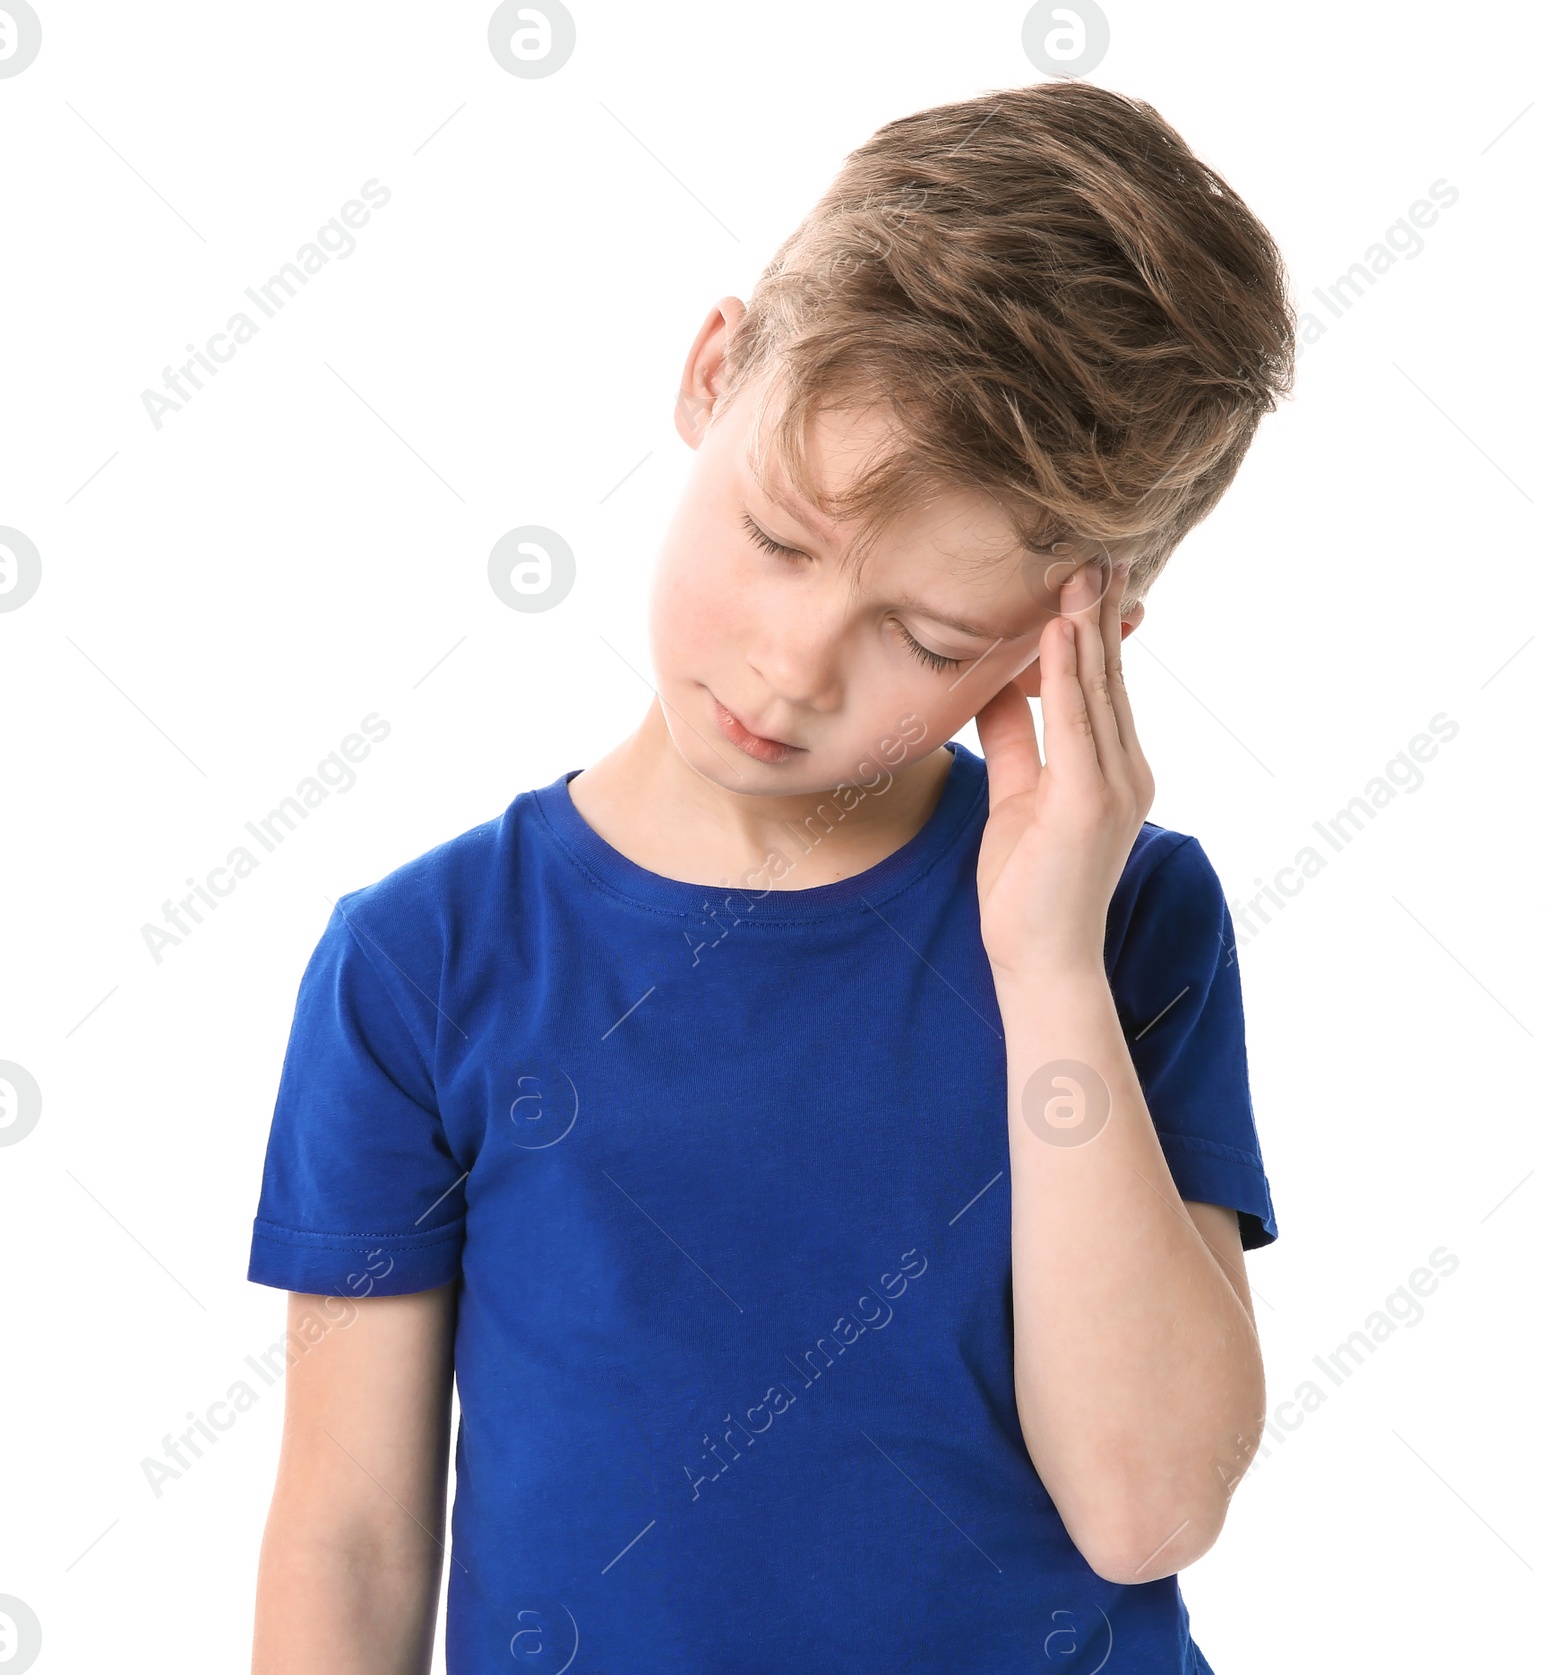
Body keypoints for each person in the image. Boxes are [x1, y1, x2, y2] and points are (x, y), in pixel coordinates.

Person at [247, 78, 1291, 1673]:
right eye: (780, 538)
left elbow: (1146, 1509)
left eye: (930, 639)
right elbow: (351, 1540)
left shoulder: (1129, 924)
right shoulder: (423, 964)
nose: (794, 670)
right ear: (713, 371)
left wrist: (1049, 966)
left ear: (1075, 641)